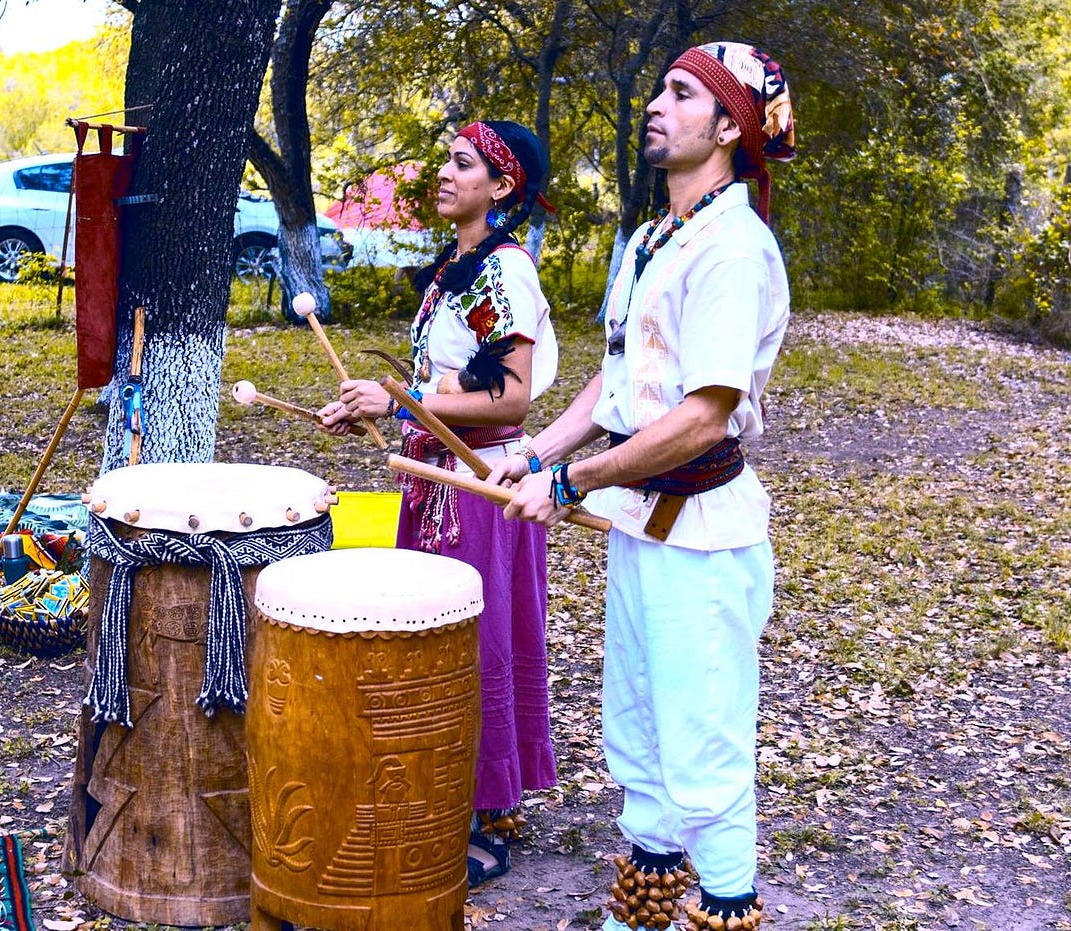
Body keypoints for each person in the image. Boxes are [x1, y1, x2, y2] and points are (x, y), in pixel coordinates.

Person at [487, 42, 796, 931]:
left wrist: (571, 482)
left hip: (704, 535)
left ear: (730, 126)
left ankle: (727, 906)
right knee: (640, 730)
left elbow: (703, 417)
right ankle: (645, 912)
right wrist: (536, 454)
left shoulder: (733, 249)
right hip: (644, 523)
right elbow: (620, 376)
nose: (658, 104)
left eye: (682, 92)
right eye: (660, 89)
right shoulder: (659, 236)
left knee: (703, 742)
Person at [319, 119, 560, 887]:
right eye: (446, 161)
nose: (446, 174)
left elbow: (510, 396)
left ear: (502, 186)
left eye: (464, 164)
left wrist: (400, 401)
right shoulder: (458, 266)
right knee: (434, 645)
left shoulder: (503, 272)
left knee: (472, 645)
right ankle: (441, 795)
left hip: (479, 489)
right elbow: (442, 385)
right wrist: (376, 404)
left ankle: (481, 816)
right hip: (435, 485)